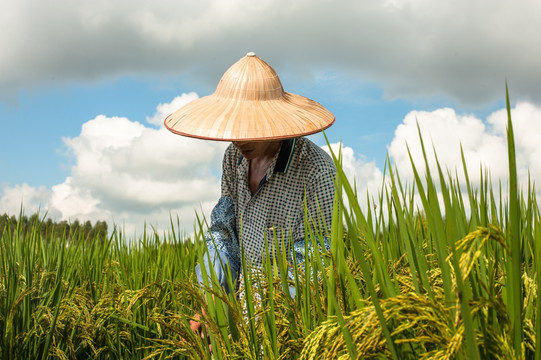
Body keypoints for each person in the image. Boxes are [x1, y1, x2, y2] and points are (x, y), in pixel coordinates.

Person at [164, 52, 336, 336]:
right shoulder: (234, 158)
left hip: (287, 319)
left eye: (249, 126)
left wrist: (256, 319)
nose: (238, 138)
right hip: (239, 306)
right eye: (236, 126)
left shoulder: (315, 170)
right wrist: (212, 302)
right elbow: (223, 231)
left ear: (272, 120)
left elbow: (314, 257)